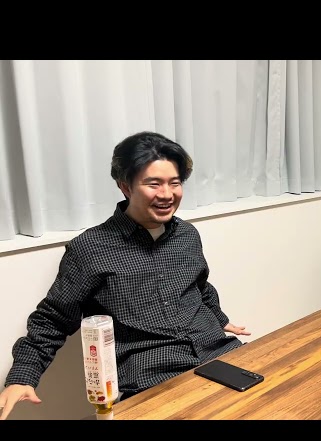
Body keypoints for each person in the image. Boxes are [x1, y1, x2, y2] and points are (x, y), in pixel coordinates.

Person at [0, 131, 250, 420]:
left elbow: (200, 287)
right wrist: (23, 376)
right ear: (125, 186)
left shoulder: (187, 235)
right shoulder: (91, 248)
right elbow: (53, 319)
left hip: (220, 353)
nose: (167, 194)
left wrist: (219, 317)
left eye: (175, 183)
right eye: (153, 184)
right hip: (154, 377)